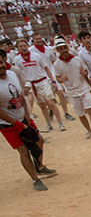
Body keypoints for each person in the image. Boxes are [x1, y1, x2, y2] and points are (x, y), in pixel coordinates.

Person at [0, 54, 54, 191]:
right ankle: (35, 179)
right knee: (23, 151)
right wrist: (16, 123)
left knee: (39, 140)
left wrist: (27, 115)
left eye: (1, 62)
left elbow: (20, 96)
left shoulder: (12, 74)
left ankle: (40, 166)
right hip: (7, 124)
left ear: (4, 61)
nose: (0, 66)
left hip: (23, 117)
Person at [53, 38, 91, 140]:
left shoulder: (77, 59)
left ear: (67, 48)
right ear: (58, 50)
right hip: (71, 92)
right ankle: (89, 131)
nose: (63, 50)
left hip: (84, 88)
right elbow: (57, 78)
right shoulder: (57, 64)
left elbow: (85, 72)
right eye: (60, 49)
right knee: (80, 113)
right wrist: (61, 79)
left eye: (64, 48)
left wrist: (84, 74)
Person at [13, 39, 66, 132]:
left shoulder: (36, 56)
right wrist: (23, 86)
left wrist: (53, 81)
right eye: (20, 46)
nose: (23, 48)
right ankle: (48, 124)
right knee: (42, 106)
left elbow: (46, 68)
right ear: (17, 48)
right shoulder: (17, 60)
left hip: (43, 81)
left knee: (51, 103)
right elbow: (19, 74)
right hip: (31, 84)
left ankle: (60, 123)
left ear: (27, 46)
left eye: (24, 45)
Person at [29, 34, 74, 121]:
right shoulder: (31, 51)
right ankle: (51, 110)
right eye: (36, 39)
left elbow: (54, 60)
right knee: (48, 97)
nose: (38, 40)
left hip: (52, 74)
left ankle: (66, 113)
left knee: (60, 93)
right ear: (33, 41)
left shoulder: (48, 49)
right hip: (41, 77)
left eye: (40, 38)